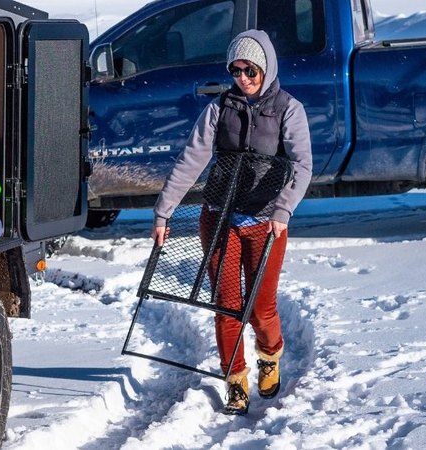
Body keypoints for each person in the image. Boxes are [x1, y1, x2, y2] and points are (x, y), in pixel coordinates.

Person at [150, 30, 312, 415]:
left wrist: (282, 209)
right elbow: (191, 160)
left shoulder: (289, 109)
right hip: (219, 217)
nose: (243, 77)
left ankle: (269, 356)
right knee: (227, 306)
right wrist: (163, 211)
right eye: (236, 70)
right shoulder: (220, 109)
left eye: (250, 69)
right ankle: (235, 380)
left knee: (261, 308)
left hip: (266, 221)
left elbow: (302, 165)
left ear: (266, 67)